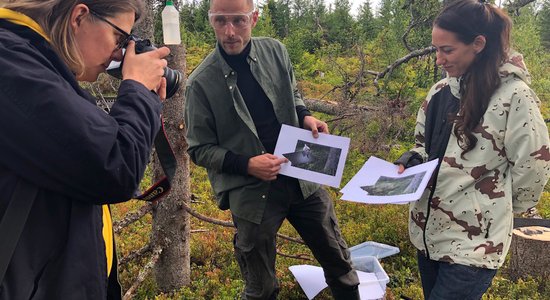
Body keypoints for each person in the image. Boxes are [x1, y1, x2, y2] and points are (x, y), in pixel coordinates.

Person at [184, 0, 360, 298]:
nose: (229, 31)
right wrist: (247, 164)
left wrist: (306, 116)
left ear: (254, 18)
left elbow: (292, 94)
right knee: (261, 287)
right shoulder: (200, 83)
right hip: (252, 192)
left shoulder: (275, 51)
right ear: (210, 20)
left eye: (238, 20)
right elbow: (199, 149)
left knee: (339, 264)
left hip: (302, 175)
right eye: (220, 21)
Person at [0, 0, 169, 299]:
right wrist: (140, 91)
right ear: (79, 17)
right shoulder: (11, 63)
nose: (120, 54)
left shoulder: (33, 64)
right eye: (119, 39)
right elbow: (115, 165)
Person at [395, 0, 550, 299]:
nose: (439, 59)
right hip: (428, 236)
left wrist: (491, 211)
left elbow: (533, 168)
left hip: (474, 247)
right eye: (435, 49)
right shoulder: (440, 92)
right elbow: (422, 146)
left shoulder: (514, 96)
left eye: (447, 50)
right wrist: (411, 160)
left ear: (478, 43)